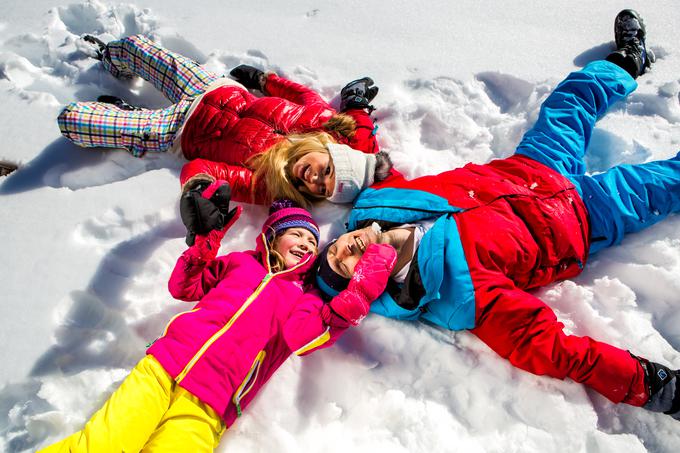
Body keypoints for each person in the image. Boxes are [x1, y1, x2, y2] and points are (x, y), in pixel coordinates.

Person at [314, 10, 679, 419]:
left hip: (535, 166)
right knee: (668, 181)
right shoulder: (453, 294)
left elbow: (368, 158)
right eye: (346, 266)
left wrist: (356, 108)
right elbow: (551, 350)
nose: (347, 248)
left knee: (570, 100)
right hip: (583, 218)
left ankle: (630, 59)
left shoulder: (377, 205)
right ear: (367, 284)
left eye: (336, 248)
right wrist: (658, 389)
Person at [39, 194, 397, 452]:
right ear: (273, 236)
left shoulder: (305, 298)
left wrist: (354, 298)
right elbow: (185, 286)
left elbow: (302, 337)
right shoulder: (241, 263)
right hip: (163, 369)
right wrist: (204, 245)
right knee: (103, 444)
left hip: (212, 403)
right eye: (297, 234)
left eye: (312, 240)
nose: (305, 243)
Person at [57, 34, 391, 206]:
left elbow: (204, 170)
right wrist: (263, 80)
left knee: (74, 120)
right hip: (213, 87)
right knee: (132, 47)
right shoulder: (321, 118)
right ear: (332, 152)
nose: (315, 179)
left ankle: (128, 118)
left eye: (321, 189)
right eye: (327, 172)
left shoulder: (269, 185)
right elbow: (302, 94)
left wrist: (199, 188)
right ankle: (110, 61)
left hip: (178, 131)